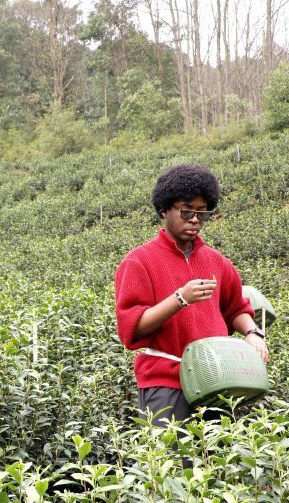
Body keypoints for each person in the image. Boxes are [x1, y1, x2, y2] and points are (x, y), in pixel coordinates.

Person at [114, 164, 269, 426]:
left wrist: (253, 334)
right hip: (167, 384)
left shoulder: (217, 262)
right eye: (186, 211)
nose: (195, 219)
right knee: (172, 464)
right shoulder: (139, 262)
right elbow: (132, 328)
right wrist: (180, 299)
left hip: (217, 381)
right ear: (164, 210)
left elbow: (236, 309)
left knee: (216, 463)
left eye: (202, 213)